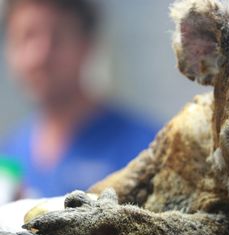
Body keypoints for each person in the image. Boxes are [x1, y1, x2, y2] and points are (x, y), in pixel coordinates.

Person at [0, 0, 159, 200]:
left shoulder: (147, 149)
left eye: (57, 38)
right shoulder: (10, 155)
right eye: (27, 36)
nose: (40, 56)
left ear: (87, 45)